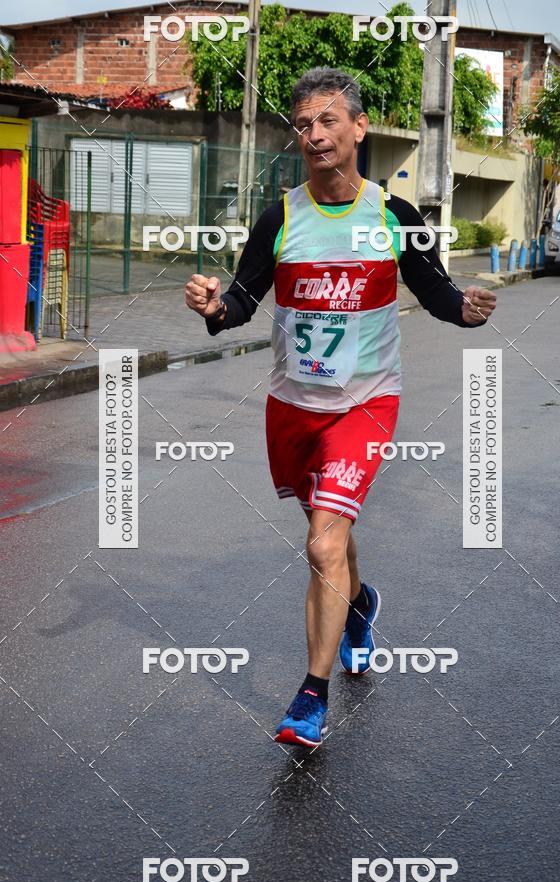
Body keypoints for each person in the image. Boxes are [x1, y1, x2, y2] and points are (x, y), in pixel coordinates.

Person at [185, 67, 496, 748]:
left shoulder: (393, 216)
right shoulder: (282, 216)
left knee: (322, 543)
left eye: (329, 120)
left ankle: (309, 700)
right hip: (293, 409)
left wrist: (466, 311)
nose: (315, 134)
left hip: (366, 404)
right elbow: (243, 299)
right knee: (335, 544)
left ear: (359, 128)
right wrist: (215, 307)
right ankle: (361, 607)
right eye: (303, 123)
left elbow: (437, 291)